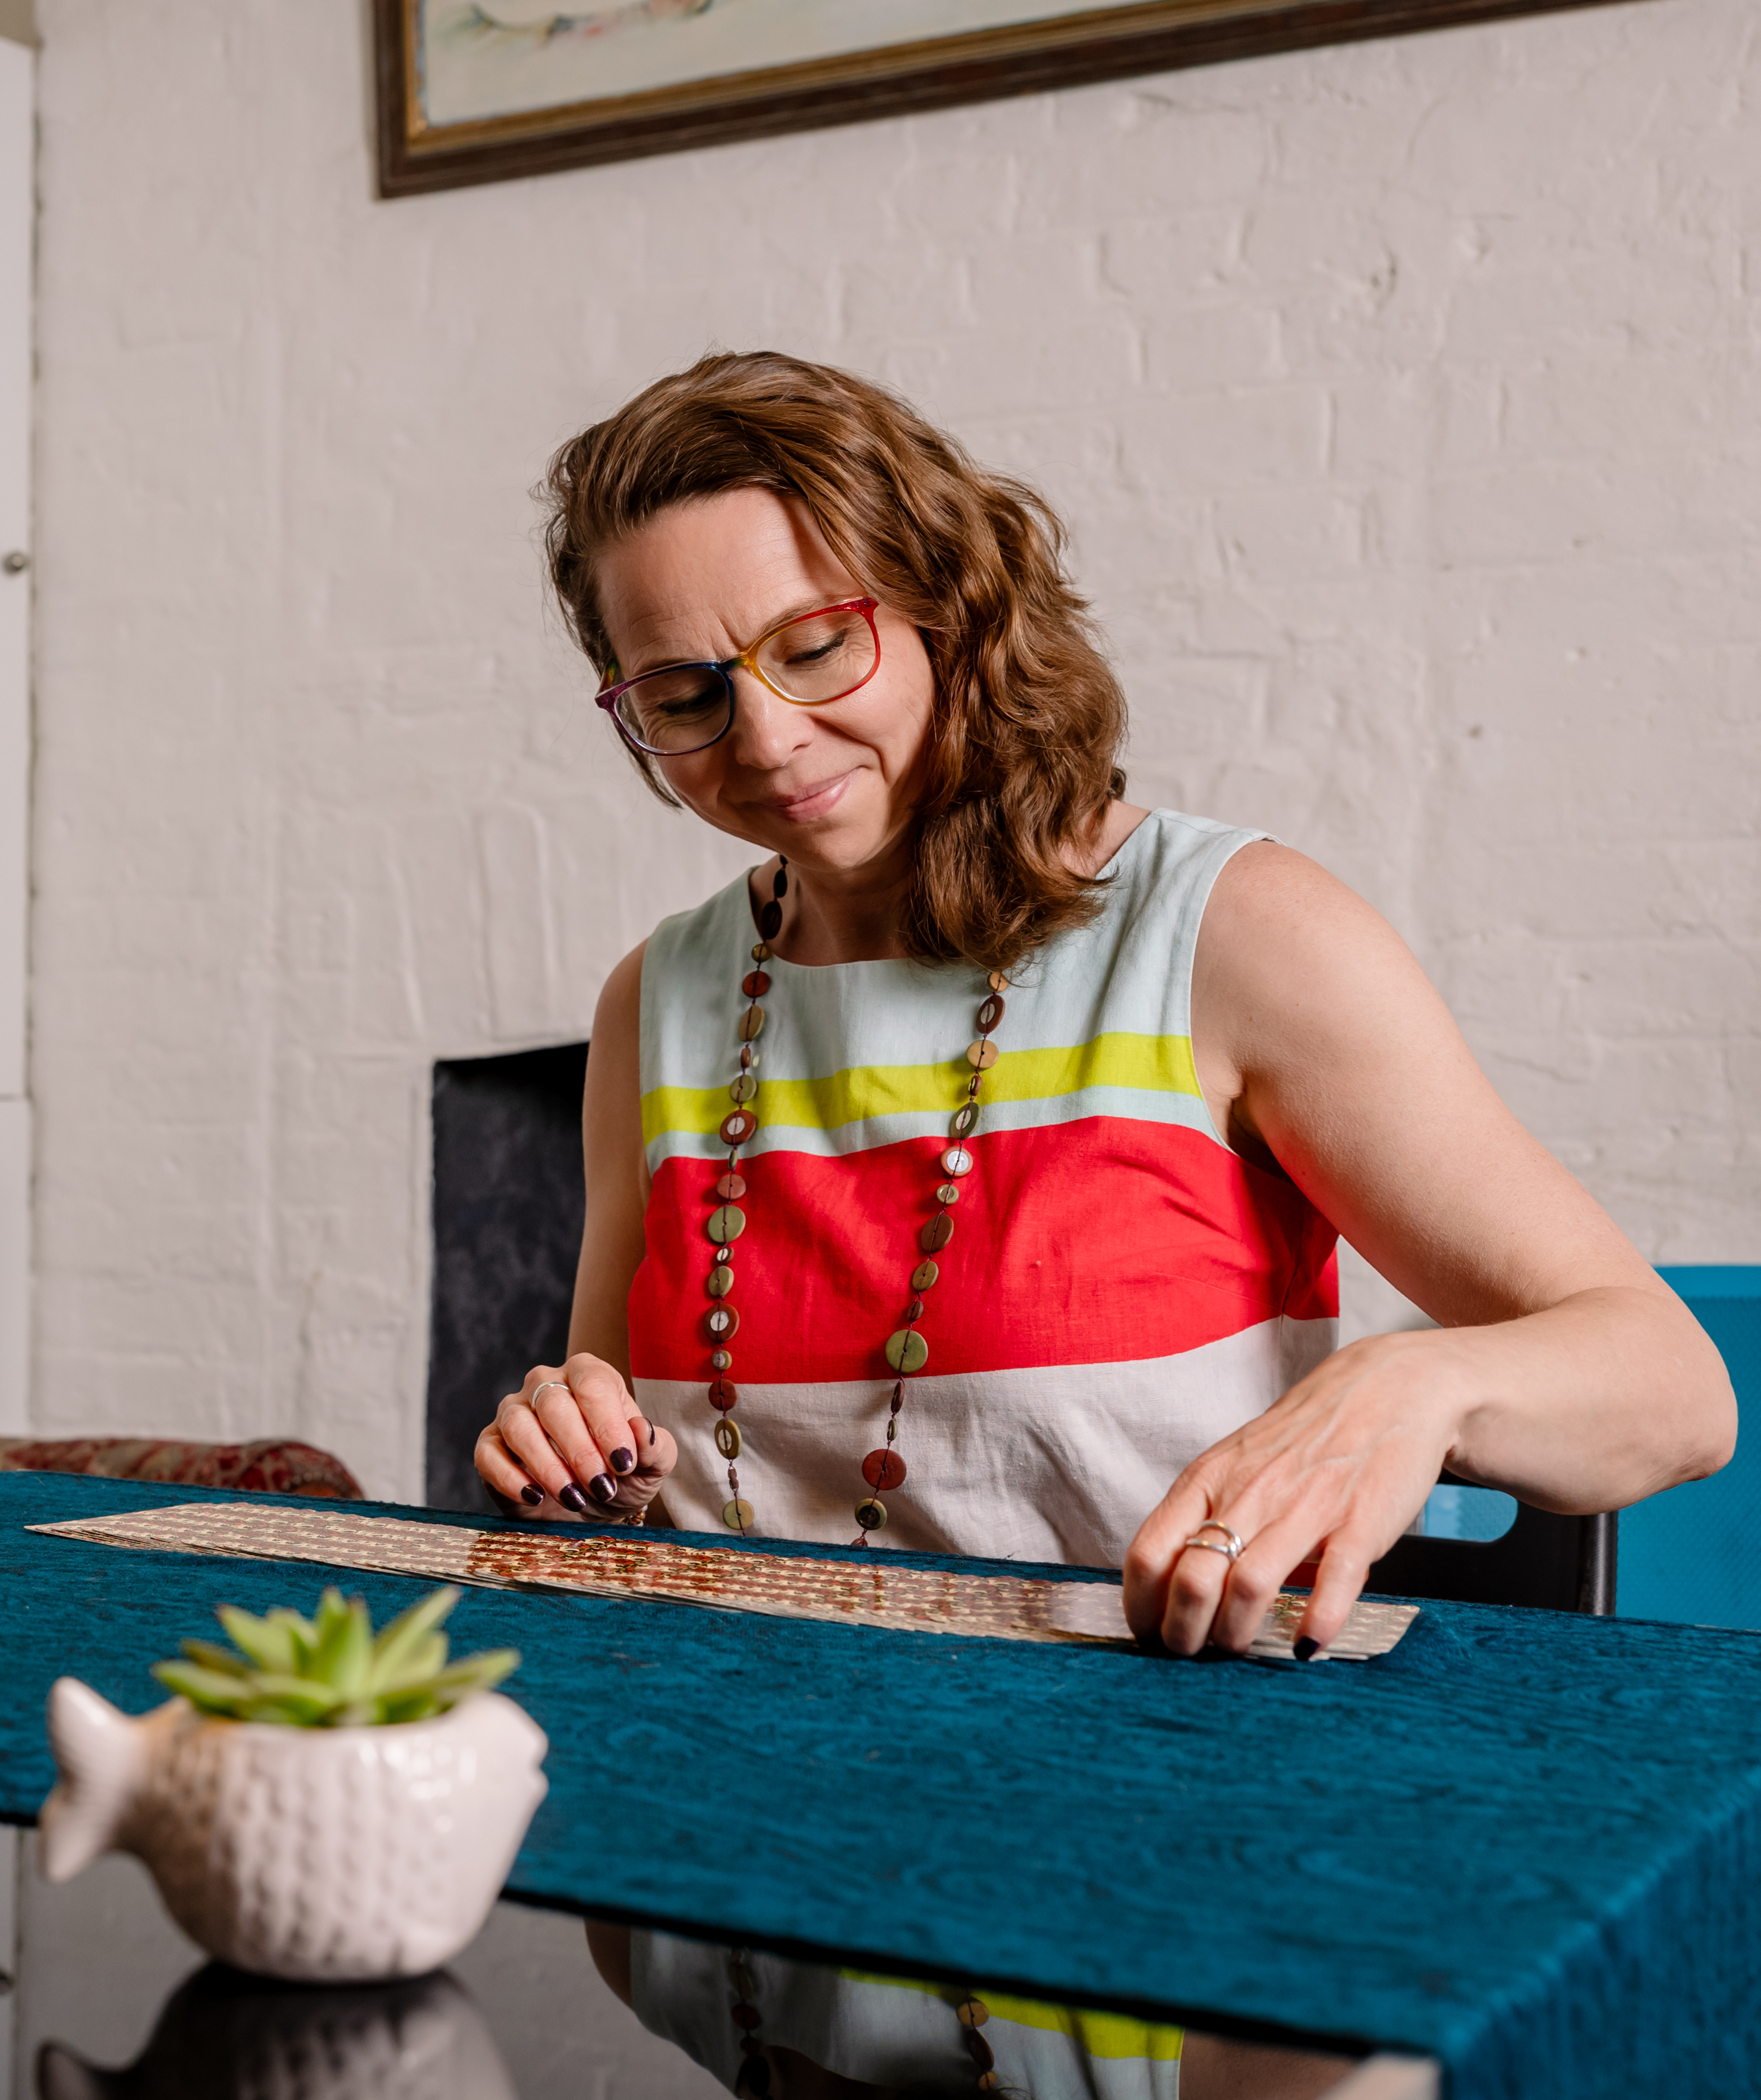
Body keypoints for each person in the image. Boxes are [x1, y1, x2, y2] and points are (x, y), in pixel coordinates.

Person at [467, 351, 1736, 2097]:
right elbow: (625, 1443)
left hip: (1178, 1911)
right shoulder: (661, 998)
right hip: (727, 1900)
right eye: (681, 693)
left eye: (812, 645)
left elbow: (1673, 1393)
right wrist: (570, 1435)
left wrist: (1417, 1386)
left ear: (943, 606)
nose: (762, 736)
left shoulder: (1230, 932)